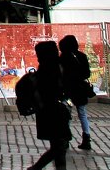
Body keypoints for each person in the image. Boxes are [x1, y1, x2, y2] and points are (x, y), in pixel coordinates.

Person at [28, 40, 72, 170]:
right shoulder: (53, 68)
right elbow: (58, 88)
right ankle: (36, 168)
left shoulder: (44, 68)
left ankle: (47, 168)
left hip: (47, 111)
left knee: (58, 145)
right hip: (55, 111)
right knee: (59, 145)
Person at [58, 34, 92, 151]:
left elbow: (61, 74)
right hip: (80, 89)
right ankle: (86, 138)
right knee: (82, 113)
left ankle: (65, 139)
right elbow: (87, 74)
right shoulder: (82, 56)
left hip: (67, 90)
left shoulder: (63, 57)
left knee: (66, 114)